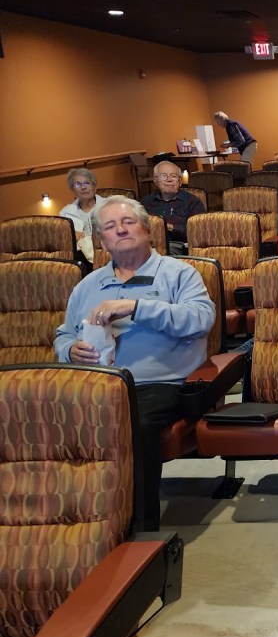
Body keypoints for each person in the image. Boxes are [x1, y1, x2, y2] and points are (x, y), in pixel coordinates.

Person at [55, 196, 214, 531]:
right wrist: (70, 350)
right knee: (46, 421)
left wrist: (135, 307)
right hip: (96, 383)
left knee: (132, 425)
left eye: (128, 222)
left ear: (147, 230)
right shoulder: (87, 286)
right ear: (102, 241)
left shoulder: (178, 274)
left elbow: (200, 319)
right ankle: (68, 524)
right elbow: (63, 335)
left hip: (160, 384)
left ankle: (139, 533)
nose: (121, 230)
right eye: (110, 226)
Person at [140, 161, 206, 255]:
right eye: (164, 176)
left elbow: (198, 232)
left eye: (174, 176)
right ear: (156, 181)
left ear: (180, 182)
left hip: (178, 245)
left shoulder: (192, 202)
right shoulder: (146, 202)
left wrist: (169, 227)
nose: (169, 180)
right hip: (151, 244)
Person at [60, 167, 107, 262]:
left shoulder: (108, 206)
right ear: (72, 189)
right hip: (80, 257)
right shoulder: (66, 213)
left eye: (87, 183)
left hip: (106, 251)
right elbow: (61, 239)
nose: (83, 187)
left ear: (94, 186)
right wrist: (72, 234)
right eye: (77, 184)